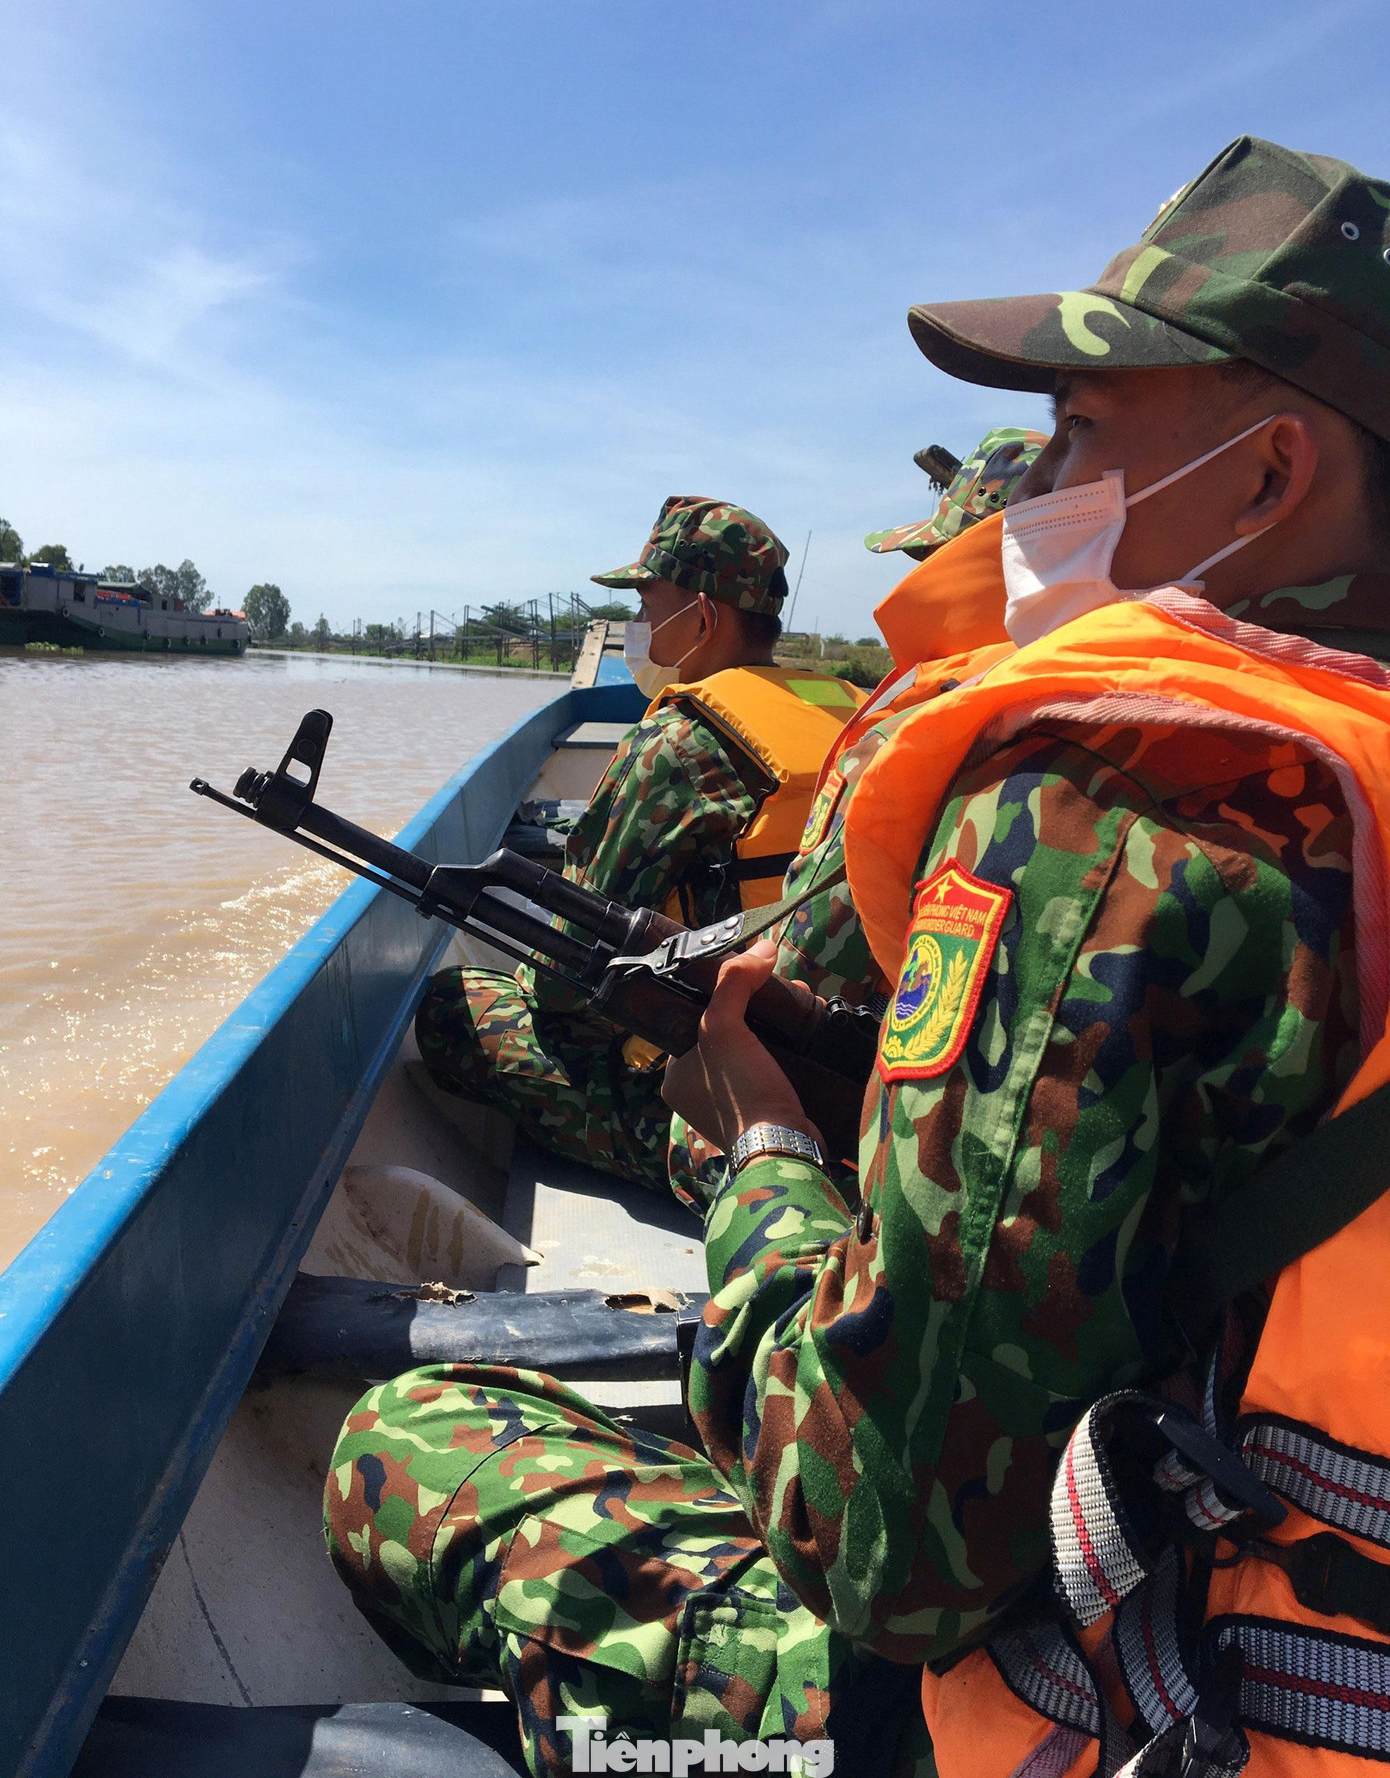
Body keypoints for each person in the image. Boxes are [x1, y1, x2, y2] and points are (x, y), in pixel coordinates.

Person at [326, 136, 1390, 1777]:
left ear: (1268, 478)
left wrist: (754, 1141)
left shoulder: (1106, 820)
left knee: (407, 1442)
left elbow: (890, 1553)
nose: (1034, 489)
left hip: (1163, 1713)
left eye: (1083, 428)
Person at [414, 494, 860, 1194]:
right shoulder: (863, 713)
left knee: (452, 1008)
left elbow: (563, 987)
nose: (642, 630)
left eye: (652, 610)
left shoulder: (678, 745)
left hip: (721, 1097)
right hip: (855, 1071)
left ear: (704, 617)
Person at [669, 426, 1044, 1211]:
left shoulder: (914, 724)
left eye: (931, 557)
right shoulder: (1094, 701)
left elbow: (803, 985)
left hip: (874, 1157)